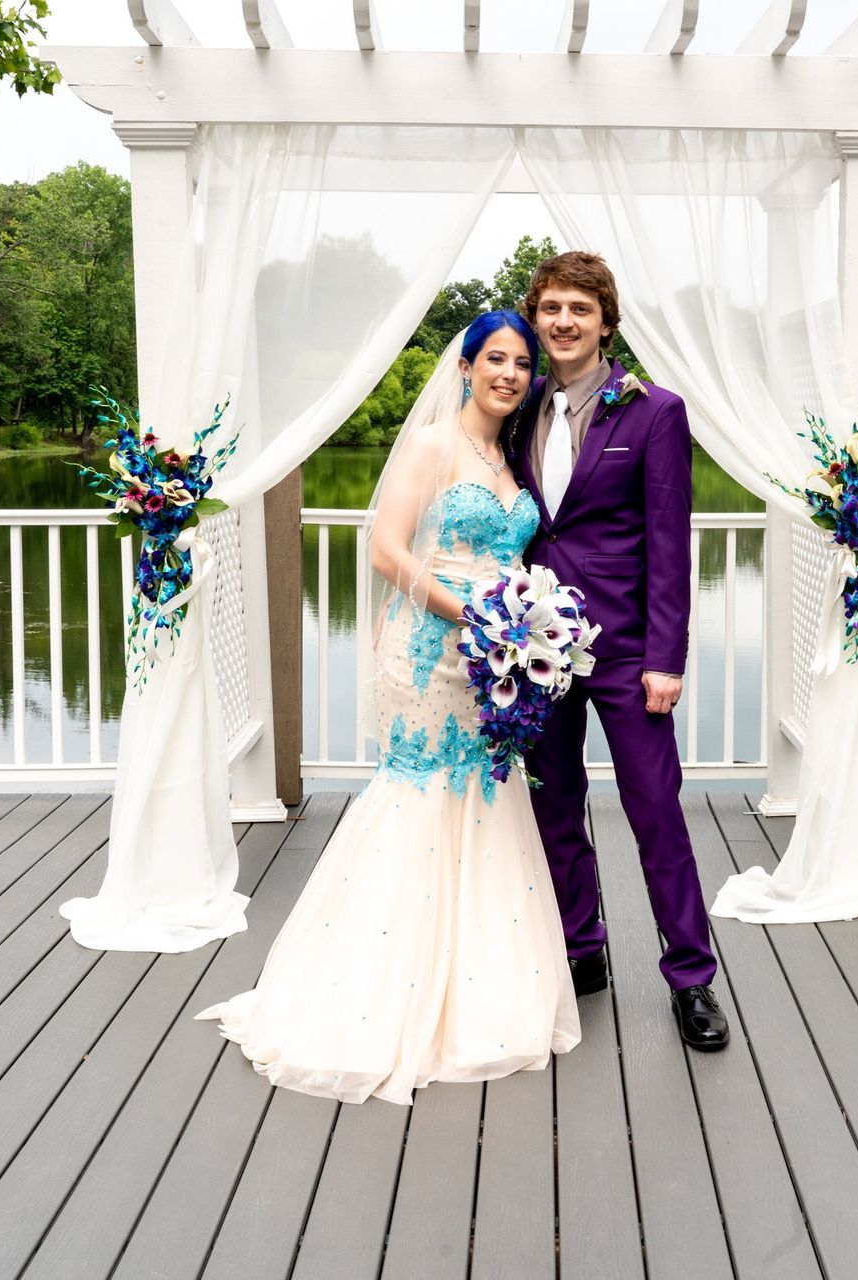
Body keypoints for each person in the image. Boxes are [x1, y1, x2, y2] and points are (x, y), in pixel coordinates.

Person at [195, 311, 580, 1105]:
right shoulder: (435, 445)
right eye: (495, 359)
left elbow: (510, 556)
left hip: (493, 659)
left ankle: (478, 994)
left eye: (521, 363)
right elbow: (387, 548)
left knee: (482, 793)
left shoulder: (509, 458)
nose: (509, 374)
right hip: (428, 650)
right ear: (466, 366)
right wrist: (469, 616)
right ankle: (373, 994)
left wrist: (519, 626)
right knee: (418, 794)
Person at [504, 252, 729, 1052]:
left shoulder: (654, 412)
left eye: (580, 309)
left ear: (606, 321)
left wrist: (667, 657)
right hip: (536, 652)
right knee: (553, 805)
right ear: (537, 317)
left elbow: (671, 544)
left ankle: (692, 977)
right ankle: (583, 948)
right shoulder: (516, 407)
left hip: (631, 652)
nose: (563, 321)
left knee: (656, 812)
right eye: (551, 307)